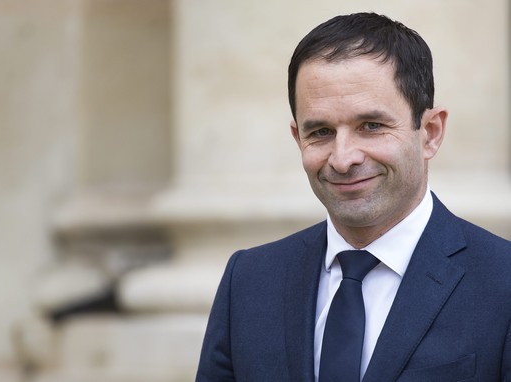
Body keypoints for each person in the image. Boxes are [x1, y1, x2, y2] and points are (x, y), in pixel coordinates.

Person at [195, 12, 511, 382]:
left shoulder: (502, 283)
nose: (343, 158)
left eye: (371, 126)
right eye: (321, 131)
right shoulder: (249, 281)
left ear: (430, 132)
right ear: (299, 139)